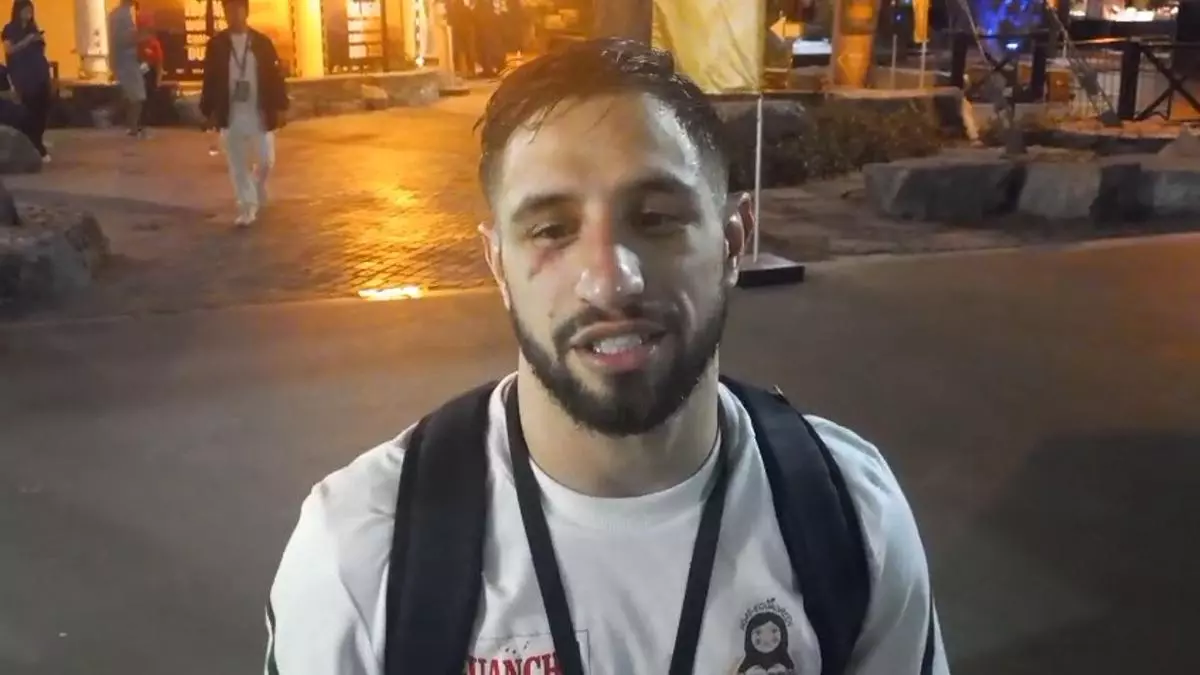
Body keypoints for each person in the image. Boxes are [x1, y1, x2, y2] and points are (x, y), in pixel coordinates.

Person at [265, 38, 948, 675]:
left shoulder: (851, 515)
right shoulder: (361, 553)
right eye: (552, 229)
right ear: (498, 264)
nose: (611, 280)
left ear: (734, 240)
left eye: (655, 218)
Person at [198, 0, 288, 227]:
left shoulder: (262, 43)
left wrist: (280, 106)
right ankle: (247, 206)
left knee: (266, 160)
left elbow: (274, 77)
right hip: (232, 111)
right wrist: (208, 110)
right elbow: (210, 79)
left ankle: (257, 185)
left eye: (237, 9)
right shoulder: (217, 45)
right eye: (229, 10)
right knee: (237, 163)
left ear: (246, 12)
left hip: (258, 109)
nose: (234, 15)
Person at [2, 0, 51, 161]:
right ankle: (35, 144)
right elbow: (9, 50)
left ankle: (38, 139)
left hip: (38, 72)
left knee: (42, 108)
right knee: (28, 109)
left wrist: (37, 40)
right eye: (25, 11)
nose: (28, 14)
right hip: (22, 74)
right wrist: (27, 41)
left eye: (30, 11)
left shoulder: (32, 28)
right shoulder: (9, 29)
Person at [108, 0, 148, 137]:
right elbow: (122, 39)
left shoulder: (116, 15)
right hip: (127, 60)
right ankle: (132, 126)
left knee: (131, 95)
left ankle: (132, 125)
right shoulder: (123, 16)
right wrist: (140, 37)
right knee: (137, 96)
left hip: (125, 60)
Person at [134, 1, 163, 130]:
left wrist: (158, 77)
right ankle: (141, 120)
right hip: (142, 73)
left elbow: (159, 62)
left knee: (148, 97)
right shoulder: (138, 43)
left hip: (149, 73)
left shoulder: (152, 43)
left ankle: (145, 120)